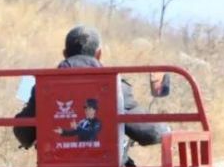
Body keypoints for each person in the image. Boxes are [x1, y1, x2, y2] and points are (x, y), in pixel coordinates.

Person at [13, 26, 168, 152]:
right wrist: (165, 130)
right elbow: (147, 133)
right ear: (99, 54)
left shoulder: (42, 87)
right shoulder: (117, 87)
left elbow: (24, 133)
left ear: (65, 54)